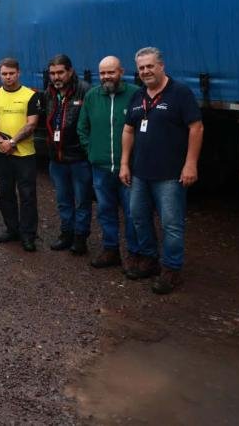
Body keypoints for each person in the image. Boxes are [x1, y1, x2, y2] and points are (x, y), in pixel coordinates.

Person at [120, 47, 203, 294]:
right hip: (140, 174)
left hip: (170, 175)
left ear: (161, 66)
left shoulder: (180, 93)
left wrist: (191, 164)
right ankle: (149, 259)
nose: (145, 71)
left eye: (150, 66)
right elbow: (128, 130)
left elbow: (196, 128)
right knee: (137, 217)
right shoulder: (138, 96)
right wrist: (125, 163)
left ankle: (172, 269)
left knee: (171, 224)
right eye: (141, 68)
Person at [77, 56, 140, 270]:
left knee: (133, 213)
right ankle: (110, 249)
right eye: (102, 73)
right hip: (101, 168)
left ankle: (134, 253)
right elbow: (82, 128)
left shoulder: (134, 94)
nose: (106, 77)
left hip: (129, 168)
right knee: (105, 210)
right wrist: (92, 151)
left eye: (111, 72)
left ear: (121, 71)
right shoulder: (93, 96)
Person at [0, 58, 42, 252]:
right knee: (5, 194)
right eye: (4, 74)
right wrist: (1, 143)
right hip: (2, 153)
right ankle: (12, 229)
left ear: (18, 73)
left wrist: (12, 142)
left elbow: (31, 123)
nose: (8, 77)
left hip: (25, 154)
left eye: (11, 73)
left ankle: (28, 235)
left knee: (27, 195)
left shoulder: (30, 95)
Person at [42, 54, 93, 255]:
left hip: (79, 158)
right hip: (57, 158)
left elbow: (90, 125)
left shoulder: (85, 91)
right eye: (53, 73)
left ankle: (81, 238)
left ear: (70, 71)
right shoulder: (49, 93)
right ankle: (66, 234)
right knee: (63, 199)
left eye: (60, 72)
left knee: (82, 200)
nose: (56, 77)